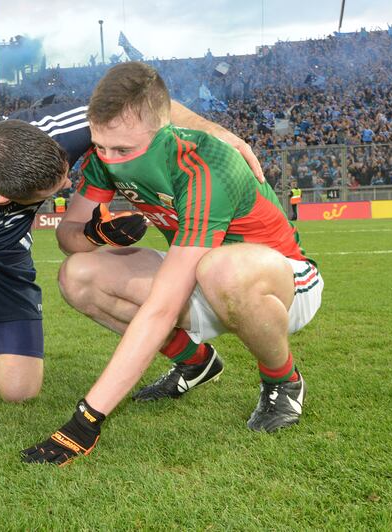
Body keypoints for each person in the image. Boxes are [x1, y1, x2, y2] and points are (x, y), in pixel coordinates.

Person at [0, 98, 264, 437]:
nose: (69, 182)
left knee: (20, 389)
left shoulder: (58, 131)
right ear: (4, 199)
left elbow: (144, 102)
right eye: (55, 189)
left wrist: (218, 133)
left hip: (4, 252)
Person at [22, 62, 324, 466]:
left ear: (163, 129)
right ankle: (195, 363)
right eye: (102, 146)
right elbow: (68, 235)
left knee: (220, 269)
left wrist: (86, 420)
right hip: (198, 269)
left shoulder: (202, 163)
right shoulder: (107, 154)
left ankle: (282, 380)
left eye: (124, 150)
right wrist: (97, 235)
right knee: (78, 274)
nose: (110, 160)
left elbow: (163, 306)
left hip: (280, 280)